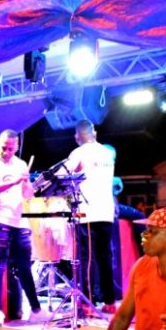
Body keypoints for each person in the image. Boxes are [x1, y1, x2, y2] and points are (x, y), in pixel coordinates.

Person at [0, 129, 49, 326]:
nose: (6, 152)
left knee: (25, 266)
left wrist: (29, 185)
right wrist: (14, 182)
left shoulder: (21, 164)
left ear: (17, 147)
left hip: (18, 220)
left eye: (11, 148)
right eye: (3, 147)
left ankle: (36, 310)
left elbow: (27, 195)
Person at [64, 119, 117, 313]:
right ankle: (110, 302)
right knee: (105, 257)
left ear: (76, 136)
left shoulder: (79, 153)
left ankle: (87, 303)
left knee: (87, 259)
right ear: (94, 133)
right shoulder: (106, 153)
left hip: (88, 211)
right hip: (106, 211)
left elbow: (63, 174)